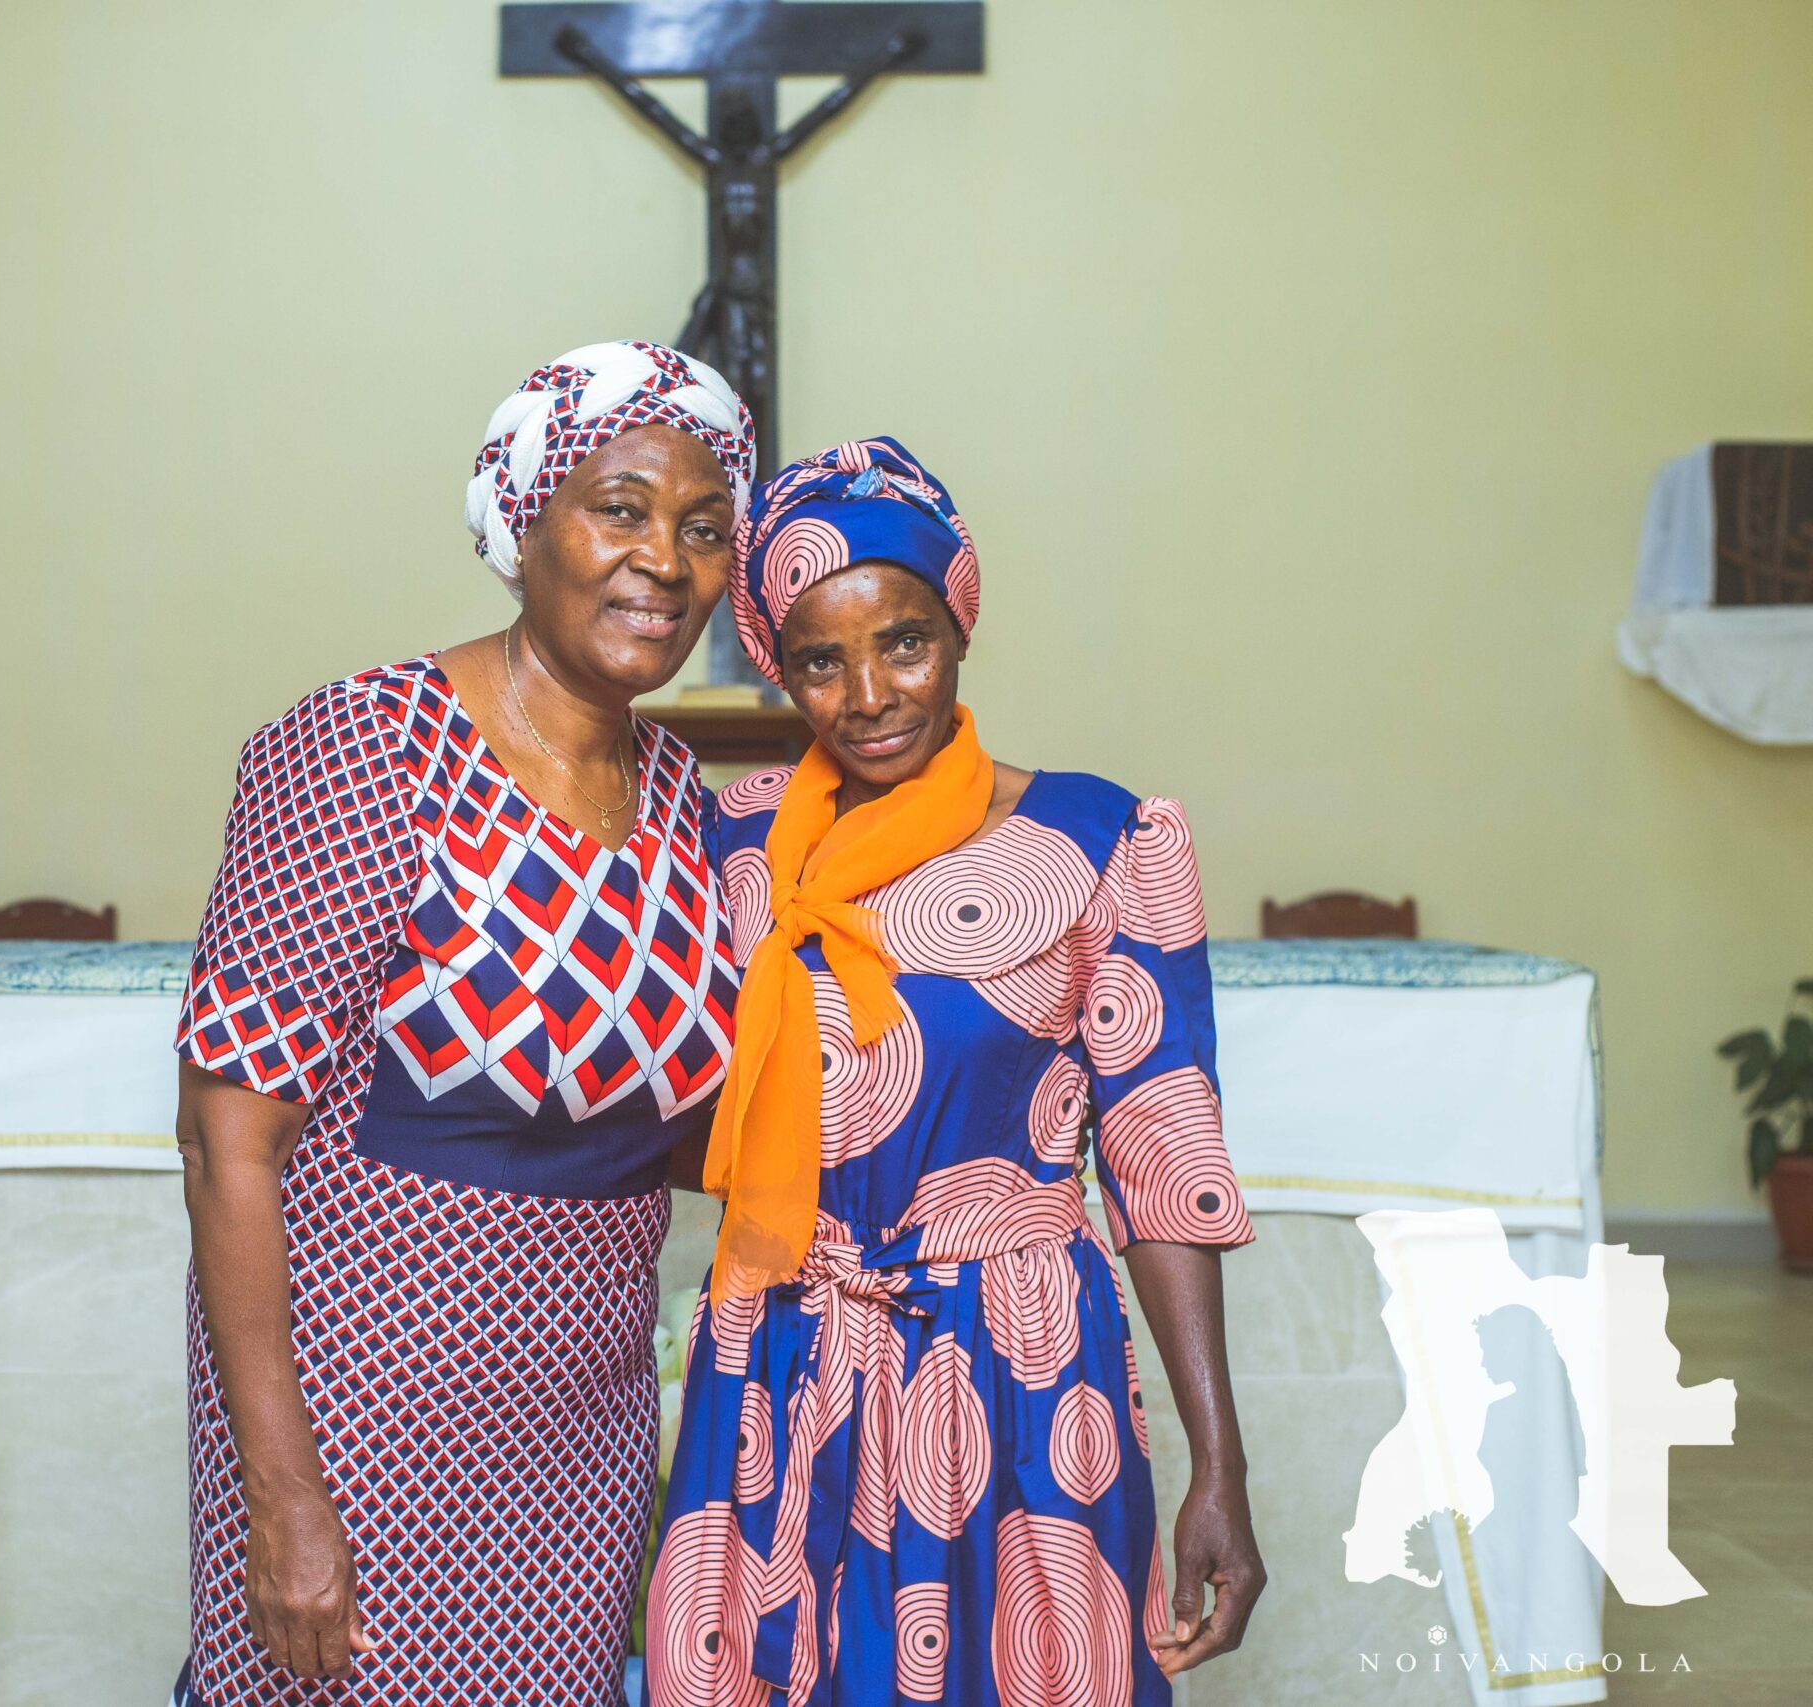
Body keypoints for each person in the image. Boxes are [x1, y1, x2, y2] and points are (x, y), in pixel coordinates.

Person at [172, 341, 756, 1704]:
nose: (663, 562)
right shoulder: (367, 747)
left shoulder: (685, 797)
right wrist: (282, 1495)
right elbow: (224, 1143)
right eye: (619, 510)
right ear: (524, 527)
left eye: (702, 528)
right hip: (361, 1428)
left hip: (583, 1440)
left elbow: (665, 1121)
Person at [647, 437, 1266, 1707]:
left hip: (1015, 1363)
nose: (869, 694)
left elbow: (1161, 1166)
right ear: (778, 668)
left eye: (905, 642)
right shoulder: (728, 841)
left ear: (959, 629)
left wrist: (1220, 1464)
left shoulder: (1096, 840)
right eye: (820, 660)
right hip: (778, 1350)